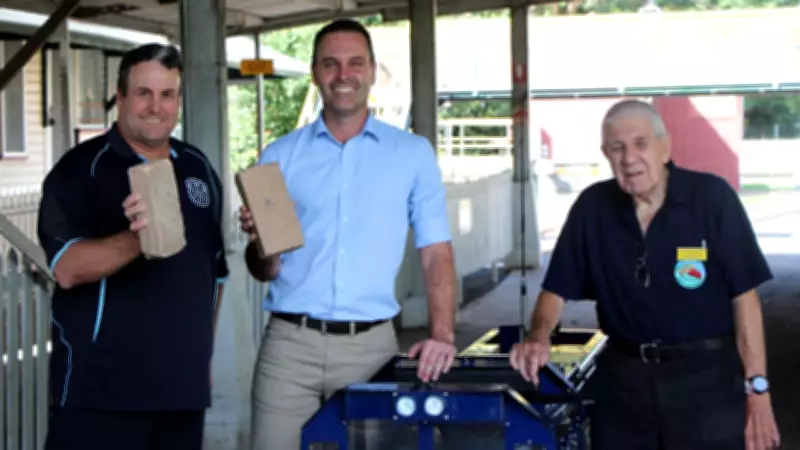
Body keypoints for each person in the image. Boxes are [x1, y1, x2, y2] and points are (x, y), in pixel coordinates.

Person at [509, 99, 781, 450]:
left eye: (641, 144)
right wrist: (538, 335)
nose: (629, 158)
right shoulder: (592, 208)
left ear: (665, 147)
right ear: (606, 155)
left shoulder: (712, 199)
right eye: (617, 147)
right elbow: (555, 290)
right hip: (624, 390)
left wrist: (758, 392)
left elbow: (746, 301)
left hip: (707, 385)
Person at [238, 18, 458, 450]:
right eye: (331, 64)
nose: (344, 75)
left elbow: (436, 252)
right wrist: (262, 242)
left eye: (355, 63)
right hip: (289, 349)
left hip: (371, 349)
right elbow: (264, 269)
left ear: (372, 71)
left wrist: (443, 334)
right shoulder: (280, 155)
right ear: (315, 73)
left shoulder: (411, 154)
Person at [37, 43, 228, 450]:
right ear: (120, 97)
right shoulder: (80, 170)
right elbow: (67, 268)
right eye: (144, 93)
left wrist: (203, 355)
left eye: (167, 94)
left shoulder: (197, 167)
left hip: (182, 393)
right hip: (100, 395)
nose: (156, 106)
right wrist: (137, 238)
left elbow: (215, 273)